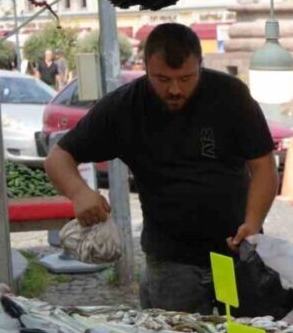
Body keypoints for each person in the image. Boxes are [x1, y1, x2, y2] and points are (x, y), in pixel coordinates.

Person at [44, 23, 278, 314]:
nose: (175, 89)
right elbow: (58, 157)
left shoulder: (230, 95)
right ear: (145, 68)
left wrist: (253, 222)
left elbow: (264, 166)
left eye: (186, 78)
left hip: (235, 252)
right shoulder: (124, 106)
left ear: (200, 66)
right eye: (162, 79)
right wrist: (79, 193)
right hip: (171, 260)